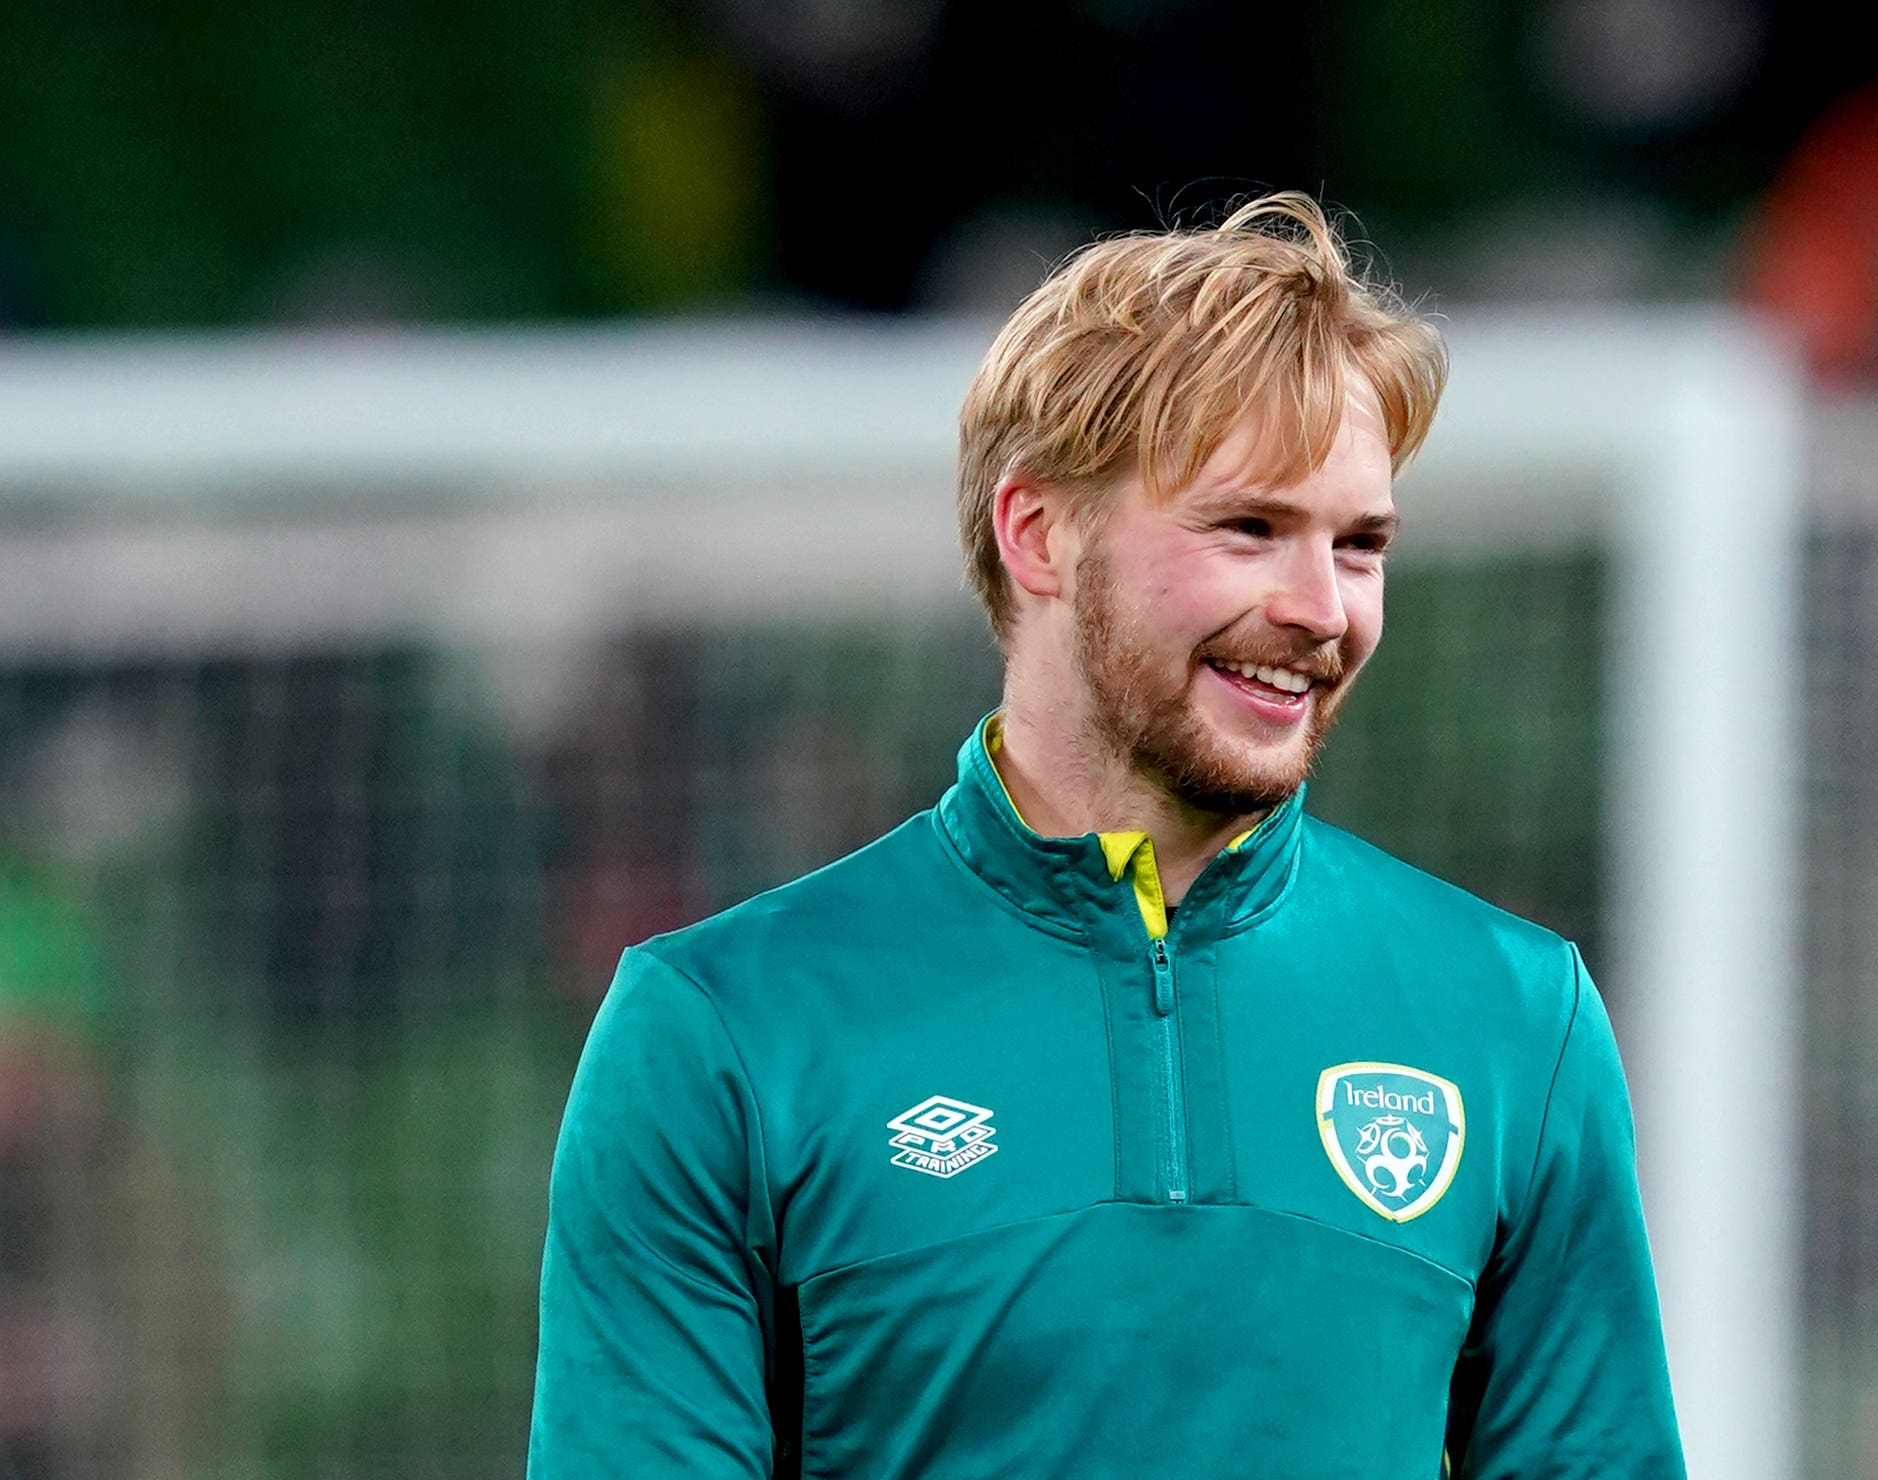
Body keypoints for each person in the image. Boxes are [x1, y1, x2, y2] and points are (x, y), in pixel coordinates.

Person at [528, 192, 1683, 1478]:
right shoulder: (723, 1029)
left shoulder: (1515, 1017)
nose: (1321, 609)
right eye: (1250, 527)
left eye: (1360, 546)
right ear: (1038, 532)